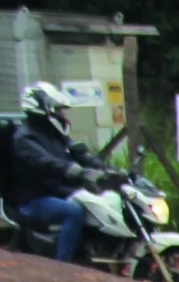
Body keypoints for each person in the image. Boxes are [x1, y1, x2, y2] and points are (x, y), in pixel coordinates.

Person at [8, 83, 110, 263]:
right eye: (58, 110)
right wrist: (71, 170)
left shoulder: (54, 134)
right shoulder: (25, 137)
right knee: (73, 211)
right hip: (33, 199)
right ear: (41, 108)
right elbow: (44, 161)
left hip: (58, 191)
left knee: (97, 203)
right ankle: (63, 264)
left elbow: (80, 152)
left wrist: (104, 168)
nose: (62, 115)